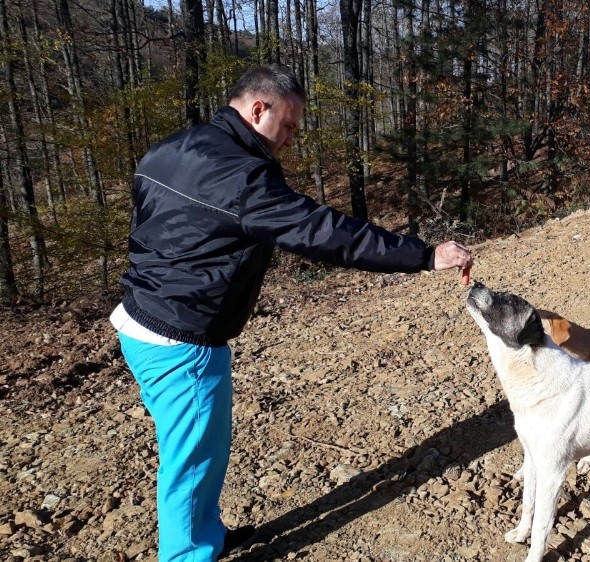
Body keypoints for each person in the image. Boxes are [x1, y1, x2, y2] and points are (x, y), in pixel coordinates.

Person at [110, 64, 473, 562]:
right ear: (259, 110)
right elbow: (324, 233)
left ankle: (205, 535)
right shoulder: (243, 177)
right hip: (182, 339)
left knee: (193, 454)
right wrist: (424, 255)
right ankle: (189, 553)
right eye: (289, 126)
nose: (290, 140)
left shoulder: (171, 148)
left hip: (138, 316)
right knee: (191, 461)